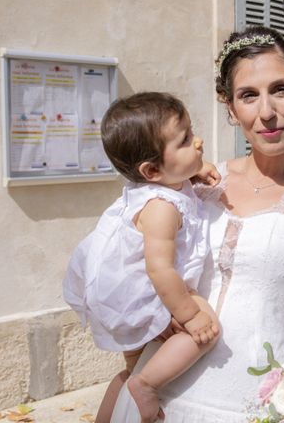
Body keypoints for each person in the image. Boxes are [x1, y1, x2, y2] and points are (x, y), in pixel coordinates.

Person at [110, 26, 284, 422]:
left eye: (280, 89)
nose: (266, 112)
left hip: (257, 403)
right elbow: (122, 262)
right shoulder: (191, 185)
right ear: (230, 109)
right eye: (249, 95)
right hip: (156, 393)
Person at [63, 92, 220, 423]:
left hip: (121, 294)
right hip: (146, 292)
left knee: (132, 367)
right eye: (186, 140)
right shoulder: (162, 209)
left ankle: (111, 413)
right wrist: (189, 315)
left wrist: (196, 169)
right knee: (207, 332)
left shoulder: (159, 185)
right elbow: (160, 269)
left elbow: (174, 179)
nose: (199, 142)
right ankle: (148, 387)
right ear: (151, 170)